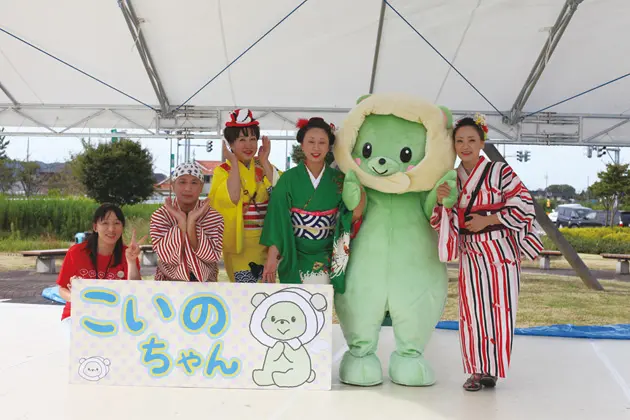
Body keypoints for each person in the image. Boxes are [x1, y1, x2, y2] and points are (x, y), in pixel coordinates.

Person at [431, 113, 543, 391]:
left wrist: (490, 219)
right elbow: (440, 219)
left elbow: (524, 204)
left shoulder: (500, 172)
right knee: (471, 311)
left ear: (482, 142)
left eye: (471, 139)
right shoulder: (453, 177)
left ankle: (491, 370)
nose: (465, 145)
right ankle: (475, 371)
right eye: (459, 141)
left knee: (500, 310)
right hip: (471, 253)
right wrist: (442, 201)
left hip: (500, 250)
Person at [260, 117, 365, 289]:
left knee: (320, 305)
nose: (316, 148)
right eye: (311, 142)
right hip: (294, 253)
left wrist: (357, 207)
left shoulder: (339, 180)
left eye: (322, 142)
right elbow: (277, 219)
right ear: (302, 145)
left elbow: (346, 217)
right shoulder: (288, 179)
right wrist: (272, 257)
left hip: (326, 256)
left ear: (329, 146)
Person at [208, 109, 281, 283]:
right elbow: (232, 199)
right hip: (240, 243)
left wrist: (264, 161)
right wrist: (233, 163)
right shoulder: (222, 171)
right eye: (242, 140)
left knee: (266, 292)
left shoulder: (264, 167)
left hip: (267, 241)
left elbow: (282, 192)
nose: (249, 145)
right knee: (244, 291)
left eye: (252, 139)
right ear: (231, 145)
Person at [57, 203, 144, 326]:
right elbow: (62, 288)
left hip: (116, 317)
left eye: (116, 223)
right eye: (105, 223)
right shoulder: (76, 252)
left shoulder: (128, 253)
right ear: (95, 227)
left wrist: (131, 262)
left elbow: (135, 291)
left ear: (122, 227)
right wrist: (76, 298)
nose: (111, 229)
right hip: (77, 315)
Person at [150, 161, 224, 282]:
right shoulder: (160, 216)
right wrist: (181, 222)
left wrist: (191, 223)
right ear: (173, 186)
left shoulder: (214, 217)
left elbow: (211, 256)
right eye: (182, 182)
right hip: (168, 283)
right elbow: (166, 256)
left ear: (201, 187)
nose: (188, 188)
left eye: (194, 182)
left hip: (205, 284)